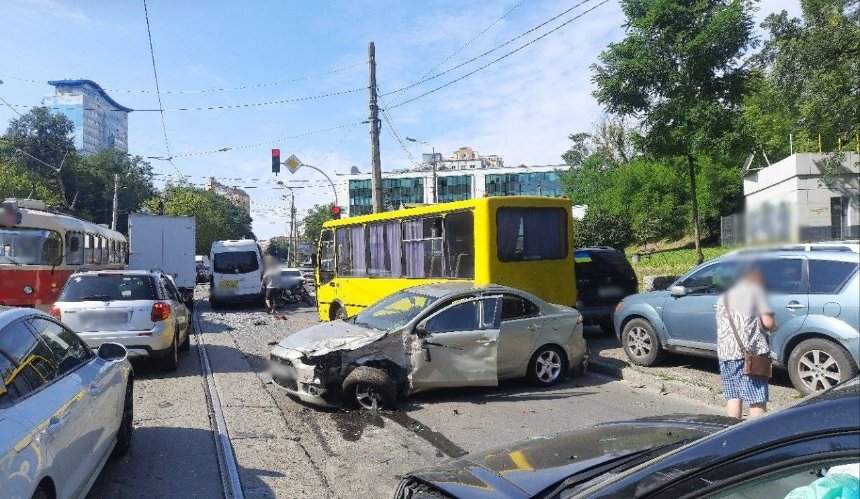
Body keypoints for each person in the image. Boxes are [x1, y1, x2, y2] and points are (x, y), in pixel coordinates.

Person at [715, 263, 777, 419]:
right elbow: (768, 322)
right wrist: (775, 326)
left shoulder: (724, 296)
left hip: (726, 354)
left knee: (734, 395)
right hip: (750, 355)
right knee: (757, 399)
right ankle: (756, 437)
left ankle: (731, 431)